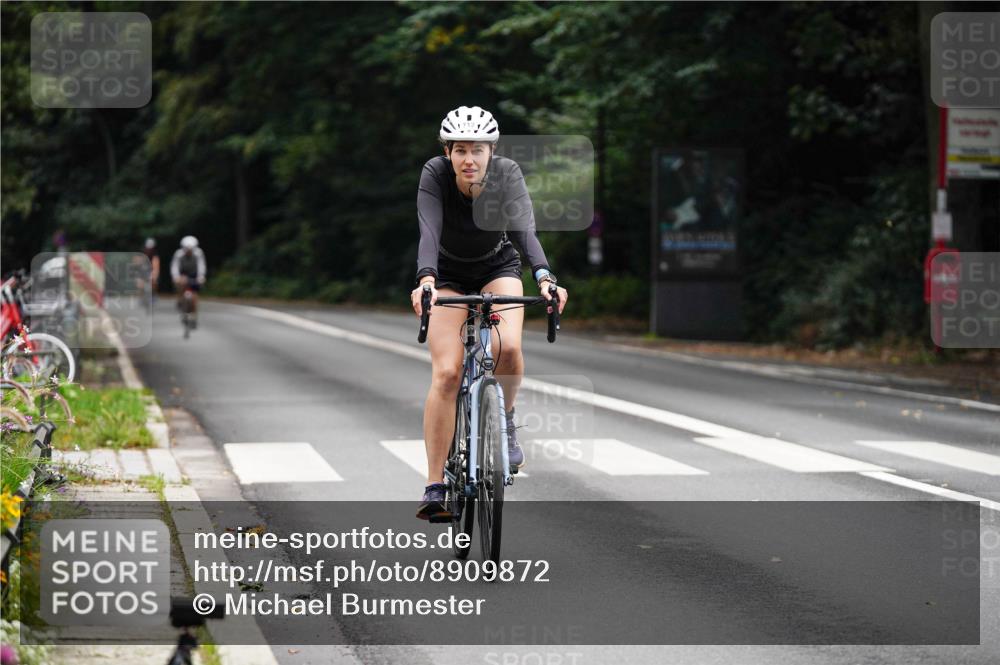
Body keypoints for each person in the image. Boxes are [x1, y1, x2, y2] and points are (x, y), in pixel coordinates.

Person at [410, 105, 568, 520]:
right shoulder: (435, 175)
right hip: (445, 274)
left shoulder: (507, 174)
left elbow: (524, 230)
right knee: (447, 372)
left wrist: (546, 278)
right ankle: (434, 485)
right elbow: (428, 229)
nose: (469, 159)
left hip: (497, 266)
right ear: (447, 152)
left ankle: (505, 420)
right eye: (460, 149)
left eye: (477, 150)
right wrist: (425, 279)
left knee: (510, 349)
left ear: (491, 151)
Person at [170, 236, 206, 322]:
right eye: (187, 249)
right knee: (180, 284)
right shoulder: (178, 254)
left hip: (194, 274)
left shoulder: (199, 253)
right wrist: (176, 277)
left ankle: (194, 313)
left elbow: (202, 266)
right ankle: (180, 299)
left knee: (195, 293)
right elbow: (174, 266)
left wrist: (201, 277)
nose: (189, 251)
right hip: (183, 273)